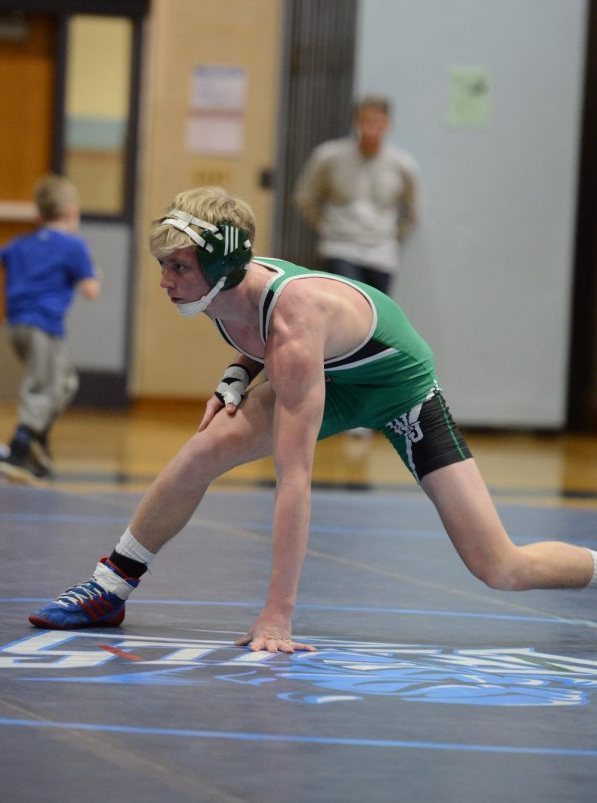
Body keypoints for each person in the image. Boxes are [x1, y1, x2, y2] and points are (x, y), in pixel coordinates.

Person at [28, 186, 597, 653]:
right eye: (163, 265)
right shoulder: (220, 291)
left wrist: (277, 615)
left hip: (398, 389)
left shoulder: (294, 321)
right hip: (326, 369)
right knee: (201, 451)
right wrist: (235, 375)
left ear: (222, 265)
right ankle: (109, 588)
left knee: (500, 566)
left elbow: (294, 478)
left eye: (178, 266)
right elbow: (251, 337)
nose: (165, 280)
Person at [0, 174, 101, 482]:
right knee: (43, 387)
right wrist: (93, 273)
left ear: (38, 215)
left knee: (64, 383)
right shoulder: (74, 246)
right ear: (72, 212)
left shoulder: (19, 244)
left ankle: (35, 438)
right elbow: (90, 290)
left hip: (16, 327)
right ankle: (19, 447)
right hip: (43, 326)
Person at [294, 94, 422, 294]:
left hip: (381, 250)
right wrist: (325, 225)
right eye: (365, 121)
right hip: (340, 245)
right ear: (356, 122)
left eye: (377, 122)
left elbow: (413, 209)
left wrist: (394, 234)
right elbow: (306, 197)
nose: (370, 128)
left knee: (376, 311)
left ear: (388, 124)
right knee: (348, 299)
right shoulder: (329, 157)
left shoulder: (402, 165)